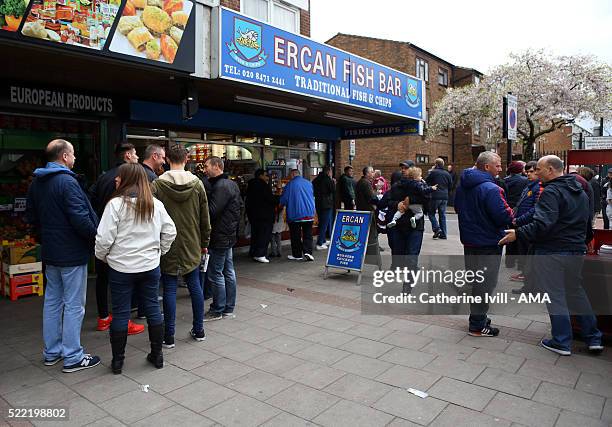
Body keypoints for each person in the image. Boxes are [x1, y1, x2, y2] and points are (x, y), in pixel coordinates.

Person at [499, 155, 603, 355]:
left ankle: (561, 341)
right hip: (575, 250)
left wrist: (518, 233)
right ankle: (594, 338)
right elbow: (586, 224)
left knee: (555, 294)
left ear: (550, 170)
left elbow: (542, 224)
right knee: (575, 291)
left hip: (553, 250)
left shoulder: (551, 192)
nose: (536, 173)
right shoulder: (580, 192)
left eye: (539, 169)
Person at [26, 139, 101, 373]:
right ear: (65, 157)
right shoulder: (67, 183)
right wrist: (96, 238)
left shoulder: (37, 183)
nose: (76, 159)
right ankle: (72, 356)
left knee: (52, 303)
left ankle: (52, 352)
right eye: (74, 155)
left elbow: (31, 218)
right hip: (71, 253)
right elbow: (81, 219)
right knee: (73, 305)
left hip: (51, 252)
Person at [95, 163, 177, 373]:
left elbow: (103, 239)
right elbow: (170, 231)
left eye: (119, 176)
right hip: (150, 267)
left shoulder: (115, 205)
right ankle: (157, 356)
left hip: (121, 268)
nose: (115, 179)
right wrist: (160, 252)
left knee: (121, 313)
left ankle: (117, 361)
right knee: (152, 309)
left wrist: (103, 257)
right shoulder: (155, 204)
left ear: (127, 179)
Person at [151, 144, 211, 347]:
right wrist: (205, 243)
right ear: (186, 160)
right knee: (194, 285)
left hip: (167, 243)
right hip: (192, 241)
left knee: (168, 287)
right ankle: (199, 329)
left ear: (167, 159)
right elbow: (205, 219)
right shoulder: (197, 184)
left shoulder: (157, 185)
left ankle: (169, 337)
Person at [455, 152, 513, 337]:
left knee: (476, 282)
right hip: (489, 242)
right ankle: (478, 325)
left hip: (470, 241)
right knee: (485, 284)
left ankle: (478, 317)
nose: (501, 168)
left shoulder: (463, 186)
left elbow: (457, 207)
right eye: (498, 165)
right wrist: (512, 213)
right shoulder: (491, 189)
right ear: (486, 167)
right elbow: (503, 216)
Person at [89, 143, 144, 335]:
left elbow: (92, 199)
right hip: (123, 237)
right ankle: (124, 321)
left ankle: (103, 318)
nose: (137, 157)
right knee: (122, 282)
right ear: (128, 155)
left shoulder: (103, 176)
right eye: (136, 153)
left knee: (102, 279)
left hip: (103, 233)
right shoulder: (132, 176)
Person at [203, 156, 241, 321]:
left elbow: (212, 211)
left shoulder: (221, 186)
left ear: (216, 166)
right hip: (228, 235)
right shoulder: (230, 184)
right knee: (228, 271)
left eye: (206, 166)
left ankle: (218, 309)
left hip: (220, 236)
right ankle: (228, 307)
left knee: (216, 273)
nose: (204, 170)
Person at [382, 160, 427, 293]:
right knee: (401, 254)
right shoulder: (397, 186)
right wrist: (397, 204)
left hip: (415, 227)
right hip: (400, 226)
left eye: (406, 168)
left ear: (413, 170)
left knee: (411, 257)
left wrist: (411, 201)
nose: (403, 170)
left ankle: (407, 285)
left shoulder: (421, 186)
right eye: (402, 168)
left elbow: (429, 205)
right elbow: (388, 202)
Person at [510, 161, 543, 289]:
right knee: (523, 254)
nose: (528, 174)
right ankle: (526, 279)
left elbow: (534, 208)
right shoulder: (529, 185)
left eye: (531, 171)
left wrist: (519, 219)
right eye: (527, 171)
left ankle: (529, 283)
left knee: (527, 255)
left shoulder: (537, 187)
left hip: (528, 225)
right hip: (522, 224)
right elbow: (521, 203)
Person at [280, 169, 316, 261]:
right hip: (309, 213)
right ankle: (308, 252)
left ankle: (297, 255)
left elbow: (283, 200)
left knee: (295, 235)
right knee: (308, 234)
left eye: (289, 175)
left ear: (292, 174)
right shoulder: (308, 183)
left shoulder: (290, 184)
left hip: (295, 214)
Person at [245, 169, 276, 263]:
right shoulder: (263, 186)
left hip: (254, 215)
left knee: (256, 234)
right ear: (260, 176)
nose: (267, 178)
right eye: (266, 175)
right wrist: (278, 199)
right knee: (264, 235)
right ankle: (260, 254)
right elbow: (270, 199)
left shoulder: (250, 185)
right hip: (264, 215)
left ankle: (254, 252)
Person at [425, 158, 452, 239]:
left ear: (436, 164)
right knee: (442, 215)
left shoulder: (433, 172)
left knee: (431, 213)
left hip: (435, 196)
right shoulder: (447, 174)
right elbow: (450, 185)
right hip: (445, 197)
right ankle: (444, 234)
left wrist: (431, 171)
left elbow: (426, 181)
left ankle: (436, 229)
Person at [355, 166, 380, 246]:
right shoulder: (365, 183)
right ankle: (372, 247)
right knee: (370, 230)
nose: (373, 173)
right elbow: (371, 197)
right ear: (367, 173)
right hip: (367, 210)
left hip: (362, 209)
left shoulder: (362, 181)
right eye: (372, 172)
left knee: (364, 230)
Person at [312, 166, 335, 250]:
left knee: (321, 222)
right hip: (326, 204)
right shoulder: (328, 180)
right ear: (328, 171)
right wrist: (333, 182)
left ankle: (323, 240)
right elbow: (333, 190)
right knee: (324, 224)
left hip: (318, 203)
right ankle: (320, 243)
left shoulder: (316, 179)